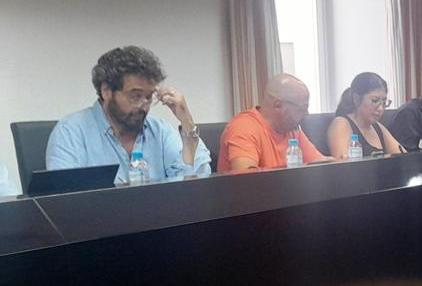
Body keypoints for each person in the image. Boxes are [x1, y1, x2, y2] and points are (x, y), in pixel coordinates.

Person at [45, 46, 211, 184]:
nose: (144, 106)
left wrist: (187, 123)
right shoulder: (71, 132)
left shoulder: (159, 131)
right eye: (135, 96)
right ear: (106, 91)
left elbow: (196, 185)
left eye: (149, 97)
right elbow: (65, 202)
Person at [217, 74, 328, 172]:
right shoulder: (244, 128)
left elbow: (321, 164)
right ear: (278, 105)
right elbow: (246, 181)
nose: (306, 114)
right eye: (302, 108)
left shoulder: (292, 129)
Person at [326, 72, 405, 159]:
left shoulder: (378, 127)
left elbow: (403, 157)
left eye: (384, 102)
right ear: (356, 99)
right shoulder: (341, 124)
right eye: (374, 100)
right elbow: (344, 165)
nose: (381, 109)